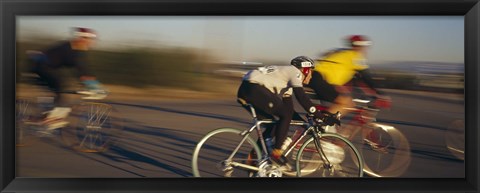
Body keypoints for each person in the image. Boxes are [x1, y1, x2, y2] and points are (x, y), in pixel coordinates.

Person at [237, 56, 340, 166]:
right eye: (310, 71)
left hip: (246, 89)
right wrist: (322, 117)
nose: (310, 75)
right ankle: (276, 152)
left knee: (273, 124)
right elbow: (302, 99)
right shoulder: (295, 72)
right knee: (284, 115)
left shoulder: (287, 81)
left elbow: (290, 111)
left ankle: (252, 158)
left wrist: (307, 127)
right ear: (304, 69)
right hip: (253, 87)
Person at [306, 35, 391, 148]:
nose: (365, 50)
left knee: (345, 103)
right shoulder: (355, 56)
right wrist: (381, 94)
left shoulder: (343, 54)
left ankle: (326, 133)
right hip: (320, 79)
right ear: (360, 47)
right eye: (365, 47)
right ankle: (324, 127)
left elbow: (356, 79)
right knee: (346, 103)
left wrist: (370, 92)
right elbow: (366, 76)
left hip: (316, 78)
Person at [27, 27, 106, 131]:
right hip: (41, 68)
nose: (91, 43)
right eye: (90, 40)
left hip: (46, 67)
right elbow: (81, 70)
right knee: (62, 87)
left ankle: (45, 117)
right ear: (81, 39)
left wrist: (94, 85)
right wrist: (94, 86)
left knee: (62, 87)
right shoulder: (70, 49)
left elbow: (85, 69)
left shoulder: (76, 49)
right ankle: (52, 119)